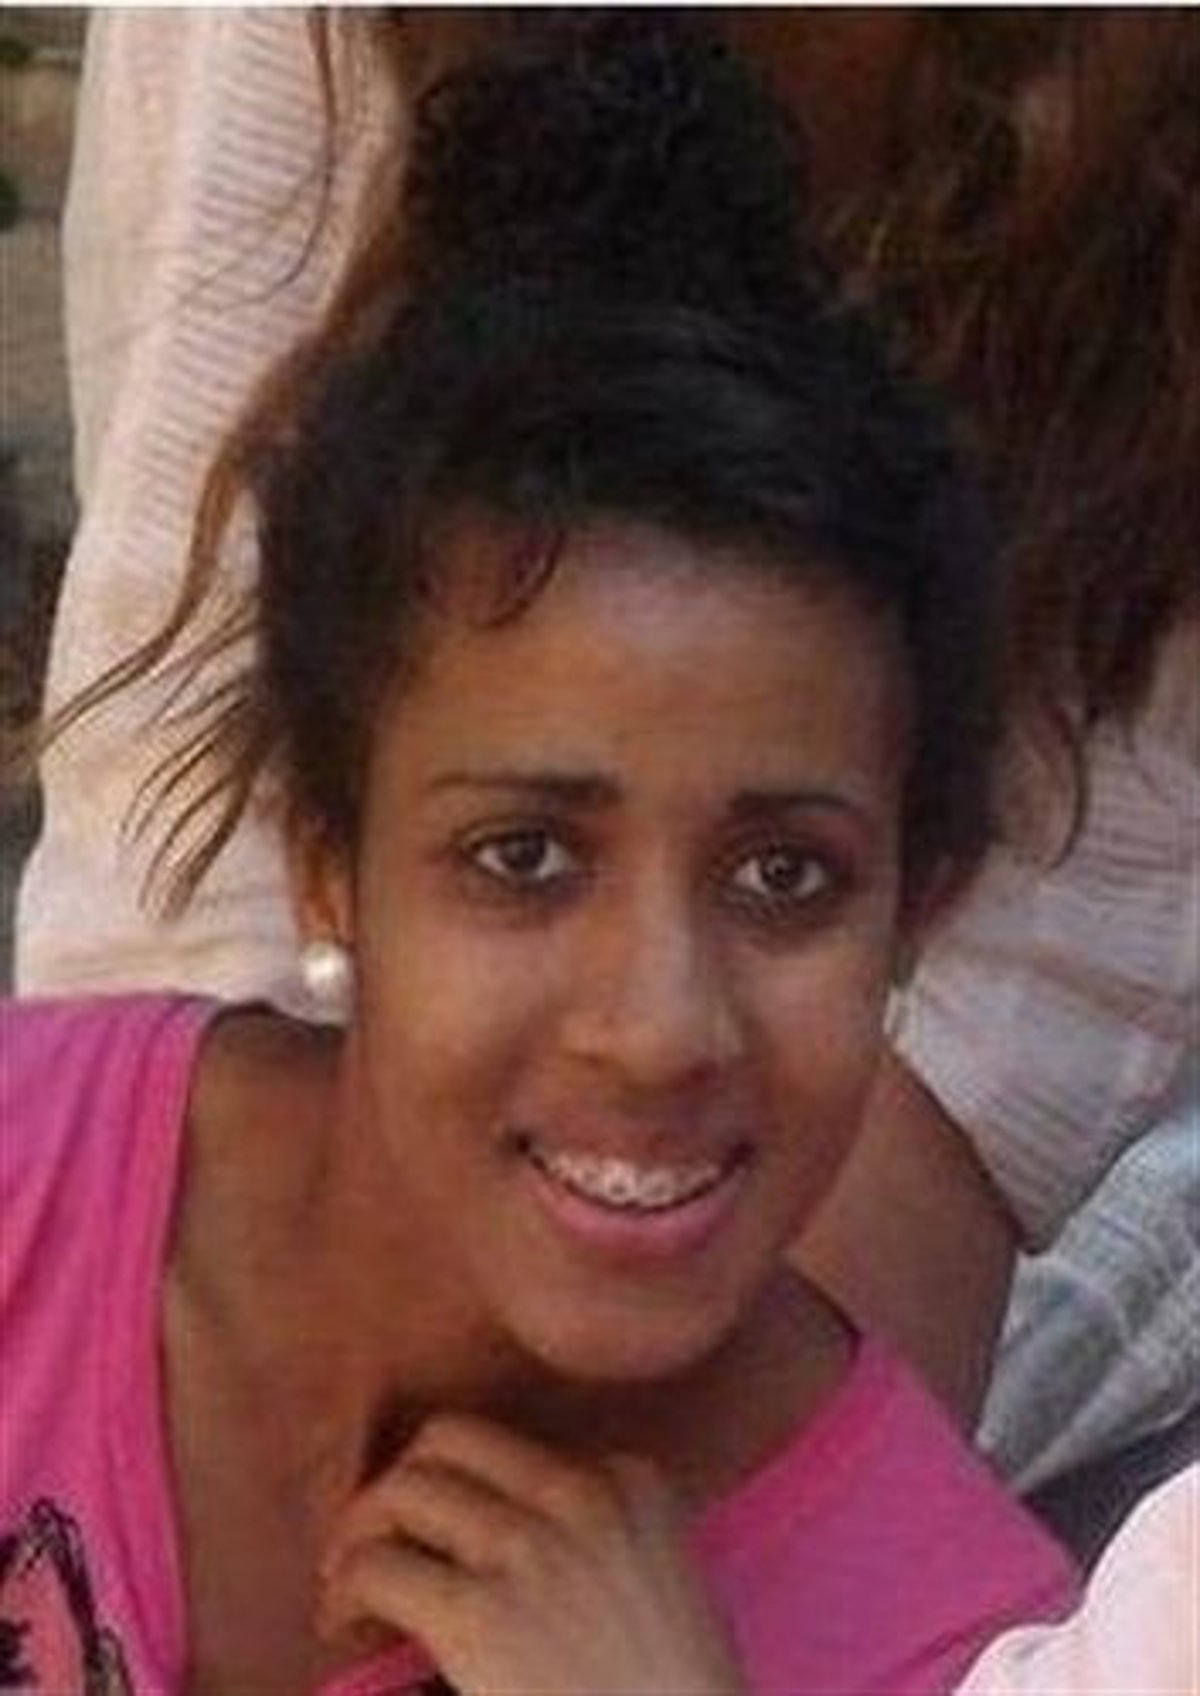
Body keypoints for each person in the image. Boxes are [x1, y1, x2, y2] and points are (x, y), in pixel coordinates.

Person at [2, 23, 1077, 1695]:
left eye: (785, 879)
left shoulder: (954, 1641)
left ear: (911, 914)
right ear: (327, 862)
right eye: (524, 856)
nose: (656, 1029)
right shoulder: (30, 1183)